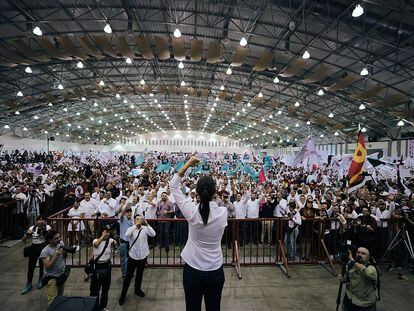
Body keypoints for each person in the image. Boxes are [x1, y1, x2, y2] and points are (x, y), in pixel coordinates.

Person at [169, 156, 227, 311]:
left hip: (193, 270)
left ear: (198, 194)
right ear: (215, 192)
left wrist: (188, 164)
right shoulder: (223, 212)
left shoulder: (192, 211)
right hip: (215, 269)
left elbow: (173, 186)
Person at [119, 214, 156, 305]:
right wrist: (136, 225)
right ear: (134, 220)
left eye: (141, 219)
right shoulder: (132, 229)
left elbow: (153, 234)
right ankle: (123, 295)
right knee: (128, 277)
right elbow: (127, 235)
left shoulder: (145, 229)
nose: (139, 220)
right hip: (133, 256)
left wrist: (147, 224)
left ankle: (137, 289)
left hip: (143, 256)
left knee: (140, 274)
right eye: (137, 219)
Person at [39, 229, 74, 304]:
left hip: (61, 276)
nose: (59, 239)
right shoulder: (45, 251)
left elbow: (64, 257)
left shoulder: (60, 243)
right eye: (56, 238)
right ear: (50, 240)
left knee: (60, 298)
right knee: (53, 302)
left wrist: (64, 253)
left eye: (59, 237)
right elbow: (47, 267)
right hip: (52, 279)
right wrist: (56, 255)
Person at [21, 215, 51, 294]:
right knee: (31, 266)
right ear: (36, 221)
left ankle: (40, 280)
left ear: (45, 221)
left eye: (42, 220)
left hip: (42, 247)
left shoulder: (47, 227)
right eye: (39, 220)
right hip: (33, 247)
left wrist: (44, 231)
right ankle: (29, 283)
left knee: (42, 265)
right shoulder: (32, 228)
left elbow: (50, 238)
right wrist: (27, 234)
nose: (40, 221)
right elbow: (23, 240)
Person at [90, 227, 117, 311]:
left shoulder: (110, 241)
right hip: (97, 267)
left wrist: (115, 238)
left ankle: (103, 307)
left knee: (105, 289)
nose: (107, 234)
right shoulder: (95, 240)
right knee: (95, 289)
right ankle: (94, 307)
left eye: (108, 232)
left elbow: (116, 245)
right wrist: (103, 236)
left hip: (107, 266)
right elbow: (96, 244)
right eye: (105, 232)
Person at [118, 206, 134, 279]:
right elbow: (121, 216)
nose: (129, 213)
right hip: (123, 242)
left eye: (130, 212)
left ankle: (129, 272)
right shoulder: (122, 219)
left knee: (130, 259)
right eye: (127, 212)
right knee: (124, 259)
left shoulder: (132, 220)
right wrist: (124, 209)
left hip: (130, 243)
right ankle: (124, 273)